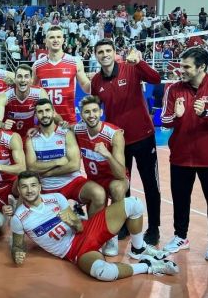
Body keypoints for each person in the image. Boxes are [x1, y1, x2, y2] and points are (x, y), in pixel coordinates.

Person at [10, 172, 177, 280]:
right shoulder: (19, 218)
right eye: (24, 186)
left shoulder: (56, 198)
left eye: (33, 185)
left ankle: (138, 248)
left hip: (88, 229)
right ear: (19, 189)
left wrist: (73, 221)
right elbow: (17, 245)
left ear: (40, 187)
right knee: (103, 273)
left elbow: (79, 228)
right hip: (74, 250)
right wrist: (16, 253)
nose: (29, 190)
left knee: (134, 203)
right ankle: (148, 266)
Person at [160, 47, 208, 261]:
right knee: (180, 199)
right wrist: (176, 116)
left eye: (186, 66)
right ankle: (180, 237)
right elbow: (163, 120)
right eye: (181, 65)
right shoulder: (173, 89)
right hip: (181, 156)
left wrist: (206, 113)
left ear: (201, 67)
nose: (180, 70)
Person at [90, 40, 162, 244]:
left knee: (150, 184)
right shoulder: (96, 81)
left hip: (143, 136)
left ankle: (154, 228)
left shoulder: (130, 68)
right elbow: (95, 109)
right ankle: (124, 225)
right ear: (96, 55)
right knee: (122, 185)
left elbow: (156, 79)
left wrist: (140, 62)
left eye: (108, 50)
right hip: (118, 141)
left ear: (114, 53)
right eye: (100, 52)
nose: (104, 54)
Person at [24, 98, 106, 216]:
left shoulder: (66, 133)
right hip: (47, 188)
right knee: (54, 222)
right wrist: (57, 162)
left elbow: (74, 165)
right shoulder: (31, 139)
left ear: (54, 113)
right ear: (36, 115)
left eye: (47, 110)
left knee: (99, 194)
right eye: (40, 112)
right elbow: (32, 168)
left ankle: (90, 227)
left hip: (71, 182)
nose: (44, 114)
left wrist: (48, 173)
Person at [74, 95, 129, 256]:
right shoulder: (78, 130)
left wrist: (107, 155)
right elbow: (60, 126)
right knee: (95, 198)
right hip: (94, 180)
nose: (91, 115)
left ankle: (112, 236)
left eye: (95, 111)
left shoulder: (114, 134)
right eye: (87, 112)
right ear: (81, 114)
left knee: (117, 188)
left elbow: (121, 174)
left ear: (101, 112)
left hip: (115, 179)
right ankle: (96, 235)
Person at [32, 26, 91, 124]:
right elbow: (32, 90)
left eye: (58, 37)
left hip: (69, 122)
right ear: (46, 41)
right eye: (52, 37)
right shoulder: (37, 65)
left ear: (63, 40)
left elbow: (86, 87)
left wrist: (98, 80)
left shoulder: (75, 62)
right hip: (45, 122)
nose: (55, 40)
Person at [0, 64, 46, 139]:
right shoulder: (4, 96)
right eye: (19, 76)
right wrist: (3, 125)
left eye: (26, 76)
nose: (23, 80)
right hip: (10, 136)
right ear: (15, 79)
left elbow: (47, 115)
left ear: (31, 79)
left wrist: (38, 127)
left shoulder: (40, 93)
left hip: (30, 134)